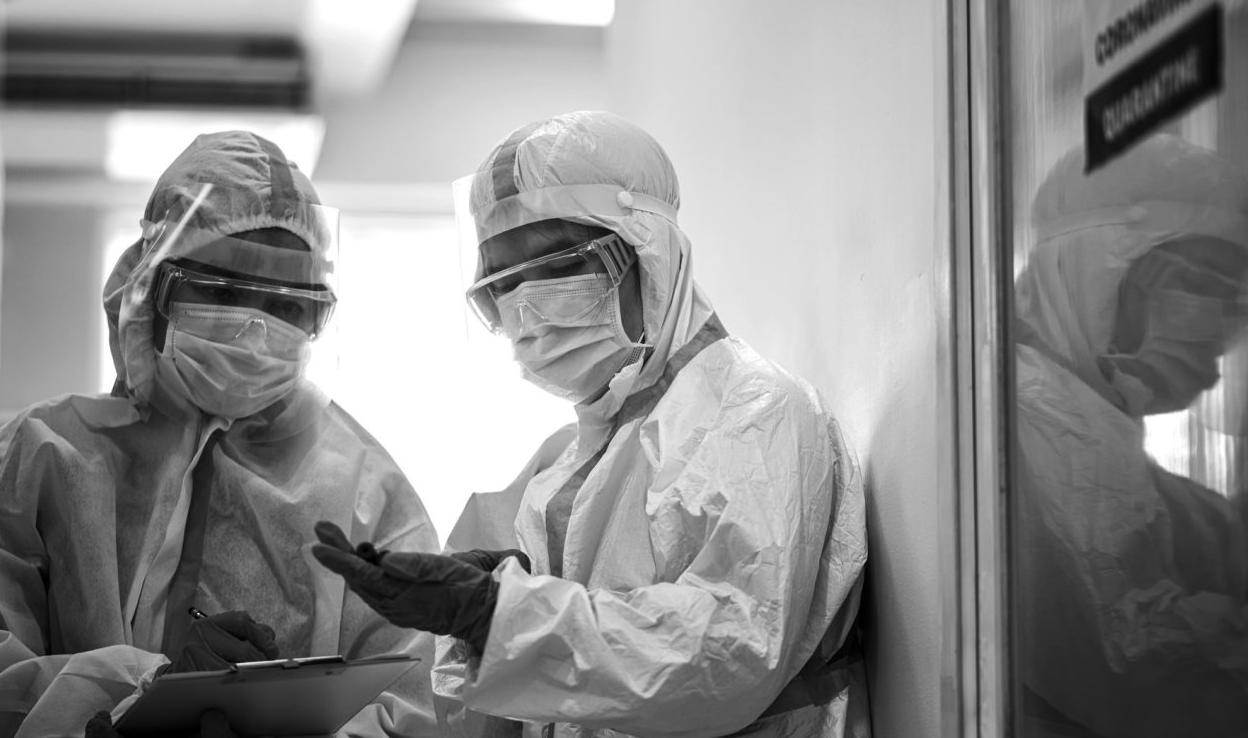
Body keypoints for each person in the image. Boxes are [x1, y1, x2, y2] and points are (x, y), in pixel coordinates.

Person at [313, 111, 870, 736]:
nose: (525, 305)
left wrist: (496, 612)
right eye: (502, 282)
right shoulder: (577, 459)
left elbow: (727, 654)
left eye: (556, 266)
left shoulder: (755, 413)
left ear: (647, 252)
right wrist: (487, 604)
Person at [0, 131, 439, 738]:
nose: (255, 330)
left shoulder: (368, 498)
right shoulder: (33, 462)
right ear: (152, 286)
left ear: (317, 316)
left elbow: (410, 711)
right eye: (223, 292)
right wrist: (147, 699)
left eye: (286, 304)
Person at [1011, 134, 1248, 737]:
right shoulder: (1048, 420)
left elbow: (1177, 535)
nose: (1233, 320)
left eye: (1239, 294)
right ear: (1106, 268)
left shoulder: (1073, 410)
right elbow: (1155, 674)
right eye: (1210, 285)